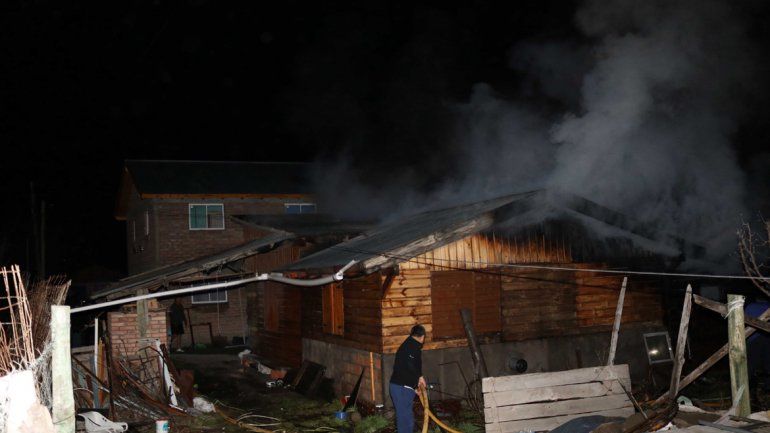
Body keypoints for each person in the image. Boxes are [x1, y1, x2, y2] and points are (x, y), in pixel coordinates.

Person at [390, 325, 427, 433]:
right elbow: (410, 365)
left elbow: (406, 367)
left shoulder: (409, 344)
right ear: (422, 337)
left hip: (401, 387)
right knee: (405, 421)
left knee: (407, 419)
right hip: (401, 388)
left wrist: (414, 386)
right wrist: (419, 377)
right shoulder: (413, 346)